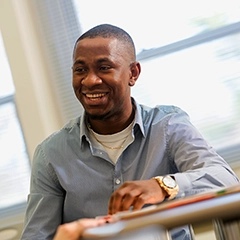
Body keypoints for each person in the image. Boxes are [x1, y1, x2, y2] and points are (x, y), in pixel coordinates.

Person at [20, 24, 239, 240]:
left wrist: (163, 186)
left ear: (133, 73)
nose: (90, 80)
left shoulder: (168, 126)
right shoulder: (51, 154)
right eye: (80, 70)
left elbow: (225, 180)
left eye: (104, 67)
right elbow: (37, 236)